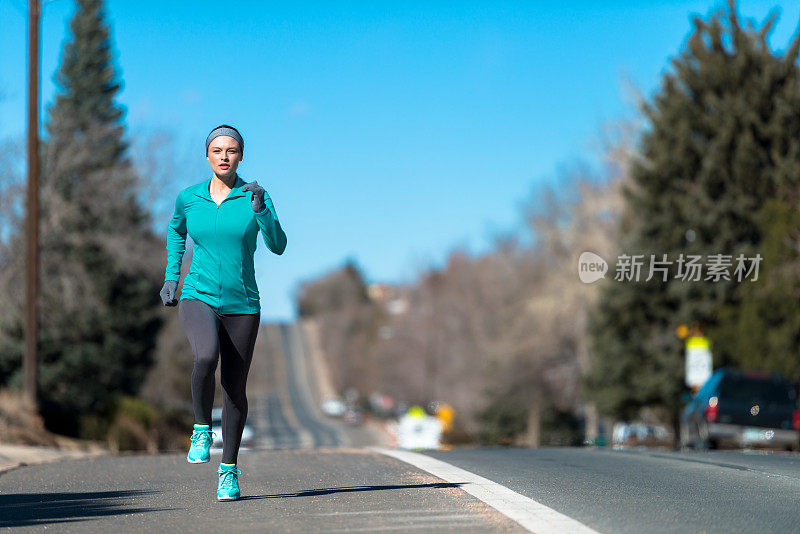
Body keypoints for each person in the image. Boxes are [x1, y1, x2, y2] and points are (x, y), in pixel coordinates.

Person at [159, 124, 287, 501]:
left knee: (234, 388)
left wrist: (261, 210)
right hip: (197, 294)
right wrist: (172, 277)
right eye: (217, 150)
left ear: (241, 156)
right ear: (208, 155)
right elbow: (176, 231)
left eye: (231, 150)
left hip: (243, 304)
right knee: (205, 355)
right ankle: (201, 428)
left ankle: (228, 472)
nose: (224, 156)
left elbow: (278, 245)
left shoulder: (254, 197)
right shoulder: (189, 198)